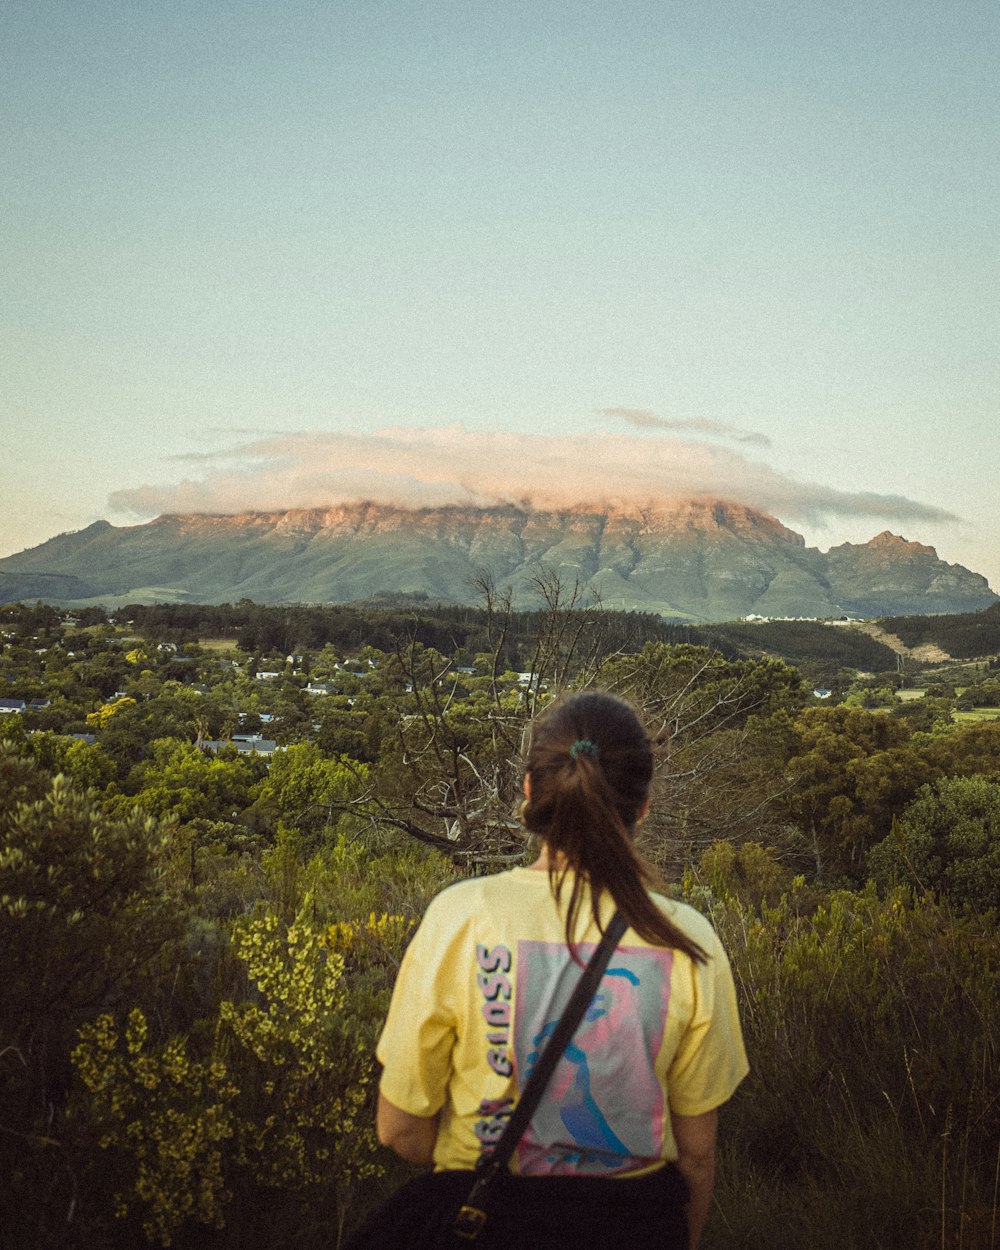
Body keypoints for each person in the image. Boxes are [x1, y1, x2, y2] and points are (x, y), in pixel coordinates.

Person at [374, 691, 748, 1249]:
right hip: (634, 1229)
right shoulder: (688, 940)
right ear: (642, 805)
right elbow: (696, 1156)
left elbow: (400, 1128)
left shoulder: (462, 916)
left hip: (489, 1226)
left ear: (529, 791)